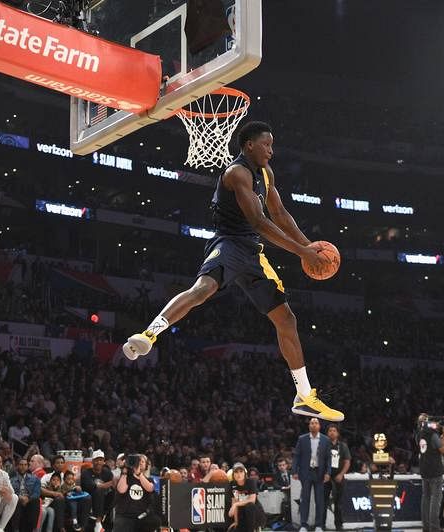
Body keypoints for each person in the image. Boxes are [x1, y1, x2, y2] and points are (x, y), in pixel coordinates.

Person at [122, 121, 343, 422]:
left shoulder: (266, 173)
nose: (271, 150)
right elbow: (259, 222)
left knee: (286, 319)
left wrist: (309, 247)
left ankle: (304, 396)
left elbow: (279, 213)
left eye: (272, 145)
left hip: (253, 252)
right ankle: (149, 334)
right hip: (229, 243)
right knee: (203, 289)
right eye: (266, 144)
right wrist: (301, 252)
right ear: (249, 145)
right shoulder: (236, 173)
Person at [292, 417, 331, 532]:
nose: (314, 424)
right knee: (305, 499)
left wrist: (328, 472)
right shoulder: (302, 439)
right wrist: (294, 471)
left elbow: (328, 458)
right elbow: (297, 455)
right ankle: (303, 525)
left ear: (319, 426)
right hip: (306, 472)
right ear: (309, 426)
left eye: (316, 423)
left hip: (319, 472)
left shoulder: (325, 440)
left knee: (319, 500)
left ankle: (319, 525)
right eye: (312, 423)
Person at [416, 413, 444, 532]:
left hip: (424, 470)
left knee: (426, 499)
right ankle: (434, 528)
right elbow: (443, 449)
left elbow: (432, 446)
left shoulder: (419, 434)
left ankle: (426, 527)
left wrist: (439, 433)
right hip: (435, 470)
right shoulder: (432, 434)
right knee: (435, 500)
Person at [113, 454, 158, 532]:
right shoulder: (126, 477)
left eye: (142, 461)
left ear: (146, 466)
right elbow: (121, 490)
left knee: (155, 521)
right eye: (137, 461)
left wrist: (139, 474)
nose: (139, 463)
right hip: (124, 515)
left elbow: (150, 488)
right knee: (121, 523)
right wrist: (124, 472)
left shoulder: (149, 480)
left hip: (141, 516)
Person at [325, 424, 350, 531]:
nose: (332, 432)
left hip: (338, 476)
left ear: (338, 433)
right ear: (327, 433)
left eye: (334, 430)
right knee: (323, 502)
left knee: (338, 503)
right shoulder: (323, 445)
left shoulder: (343, 446)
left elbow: (347, 462)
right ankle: (321, 525)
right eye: (330, 431)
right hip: (326, 477)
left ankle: (339, 525)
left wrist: (341, 474)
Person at [226, 463, 265, 532]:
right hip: (242, 513)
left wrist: (236, 504)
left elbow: (252, 500)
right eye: (236, 472)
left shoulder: (251, 482)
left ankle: (254, 529)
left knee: (250, 505)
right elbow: (234, 502)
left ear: (245, 473)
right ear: (233, 474)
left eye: (241, 471)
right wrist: (236, 521)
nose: (239, 474)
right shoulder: (232, 485)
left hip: (255, 513)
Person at [9, 457, 41, 532]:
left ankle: (33, 529)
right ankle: (16, 529)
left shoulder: (35, 479)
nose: (23, 467)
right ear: (17, 466)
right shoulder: (11, 479)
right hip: (17, 500)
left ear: (28, 466)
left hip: (29, 500)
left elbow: (37, 493)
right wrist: (20, 497)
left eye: (25, 465)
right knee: (16, 501)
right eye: (21, 465)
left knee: (36, 501)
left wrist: (28, 499)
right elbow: (11, 492)